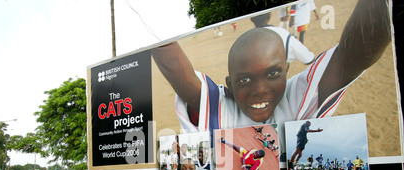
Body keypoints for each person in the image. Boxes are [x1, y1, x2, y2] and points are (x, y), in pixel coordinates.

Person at [151, 0, 390, 160]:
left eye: (273, 74)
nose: (260, 90)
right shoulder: (220, 107)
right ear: (230, 85)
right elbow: (173, 67)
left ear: (287, 71)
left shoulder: (299, 95)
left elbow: (358, 50)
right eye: (245, 80)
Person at [251, 12, 315, 65]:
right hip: (280, 77)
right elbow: (307, 58)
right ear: (269, 16)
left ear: (251, 19)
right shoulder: (283, 34)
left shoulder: (246, 39)